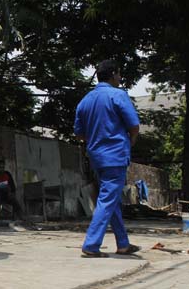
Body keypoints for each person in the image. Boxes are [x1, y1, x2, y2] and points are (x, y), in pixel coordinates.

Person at [74, 60, 141, 258]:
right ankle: (92, 244)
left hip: (96, 157)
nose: (120, 79)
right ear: (112, 74)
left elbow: (79, 133)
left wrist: (96, 139)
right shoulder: (117, 95)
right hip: (115, 155)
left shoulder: (85, 100)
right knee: (107, 199)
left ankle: (123, 244)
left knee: (111, 200)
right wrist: (129, 143)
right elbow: (134, 126)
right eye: (119, 74)